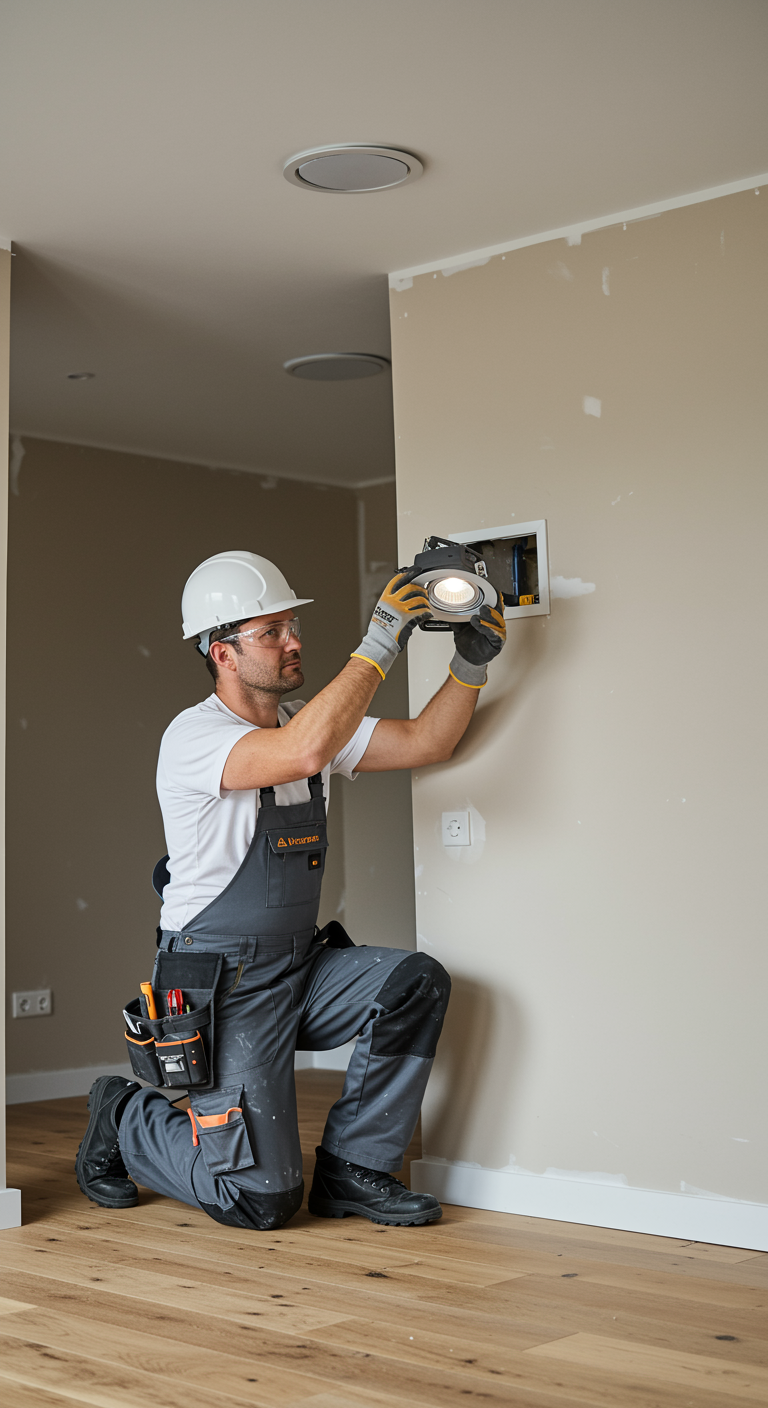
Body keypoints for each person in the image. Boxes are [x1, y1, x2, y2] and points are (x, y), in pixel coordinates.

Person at [75, 549, 506, 1230]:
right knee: (258, 1200)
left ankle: (354, 1170)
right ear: (221, 652)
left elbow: (428, 741)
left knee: (413, 982)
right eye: (271, 632)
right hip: (223, 984)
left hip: (298, 966)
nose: (293, 641)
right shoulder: (195, 737)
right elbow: (302, 753)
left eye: (291, 626)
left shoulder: (307, 723)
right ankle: (124, 1114)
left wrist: (472, 665)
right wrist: (383, 635)